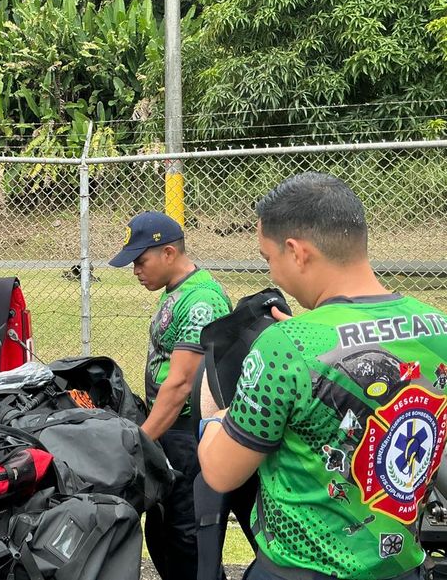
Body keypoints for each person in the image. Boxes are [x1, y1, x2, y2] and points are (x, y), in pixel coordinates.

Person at [198, 172, 447, 580]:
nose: (272, 274)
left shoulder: (287, 347)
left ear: (297, 252)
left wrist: (212, 412)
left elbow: (222, 472)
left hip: (301, 571)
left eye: (268, 258)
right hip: (403, 567)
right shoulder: (439, 327)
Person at [110, 211, 232, 580]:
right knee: (164, 537)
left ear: (168, 253)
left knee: (187, 543)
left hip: (188, 436)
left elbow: (179, 386)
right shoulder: (177, 292)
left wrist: (141, 443)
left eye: (141, 260)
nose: (136, 271)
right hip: (171, 434)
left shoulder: (200, 301)